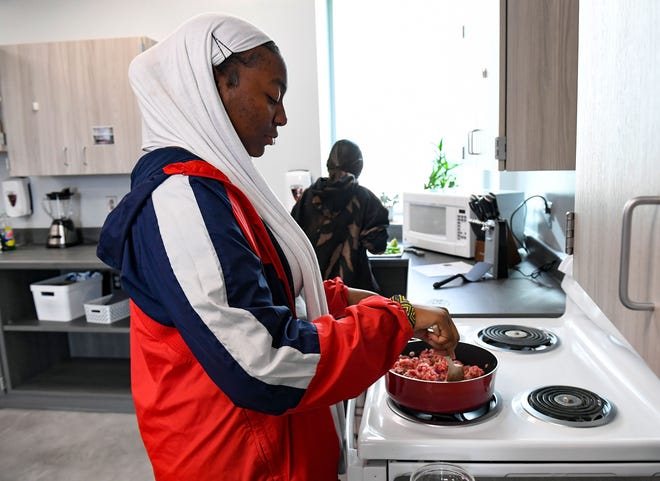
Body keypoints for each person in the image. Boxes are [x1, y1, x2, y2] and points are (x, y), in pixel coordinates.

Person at [97, 12, 459, 481]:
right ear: (216, 86)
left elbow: (270, 296)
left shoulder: (216, 192)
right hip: (239, 463)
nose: (282, 116)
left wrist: (370, 303)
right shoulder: (180, 202)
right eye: (272, 96)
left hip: (273, 453)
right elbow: (264, 363)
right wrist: (396, 319)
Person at [291, 139, 390, 292]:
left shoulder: (309, 196)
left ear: (328, 164)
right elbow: (377, 246)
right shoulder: (365, 198)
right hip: (354, 294)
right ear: (359, 166)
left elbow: (292, 242)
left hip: (316, 292)